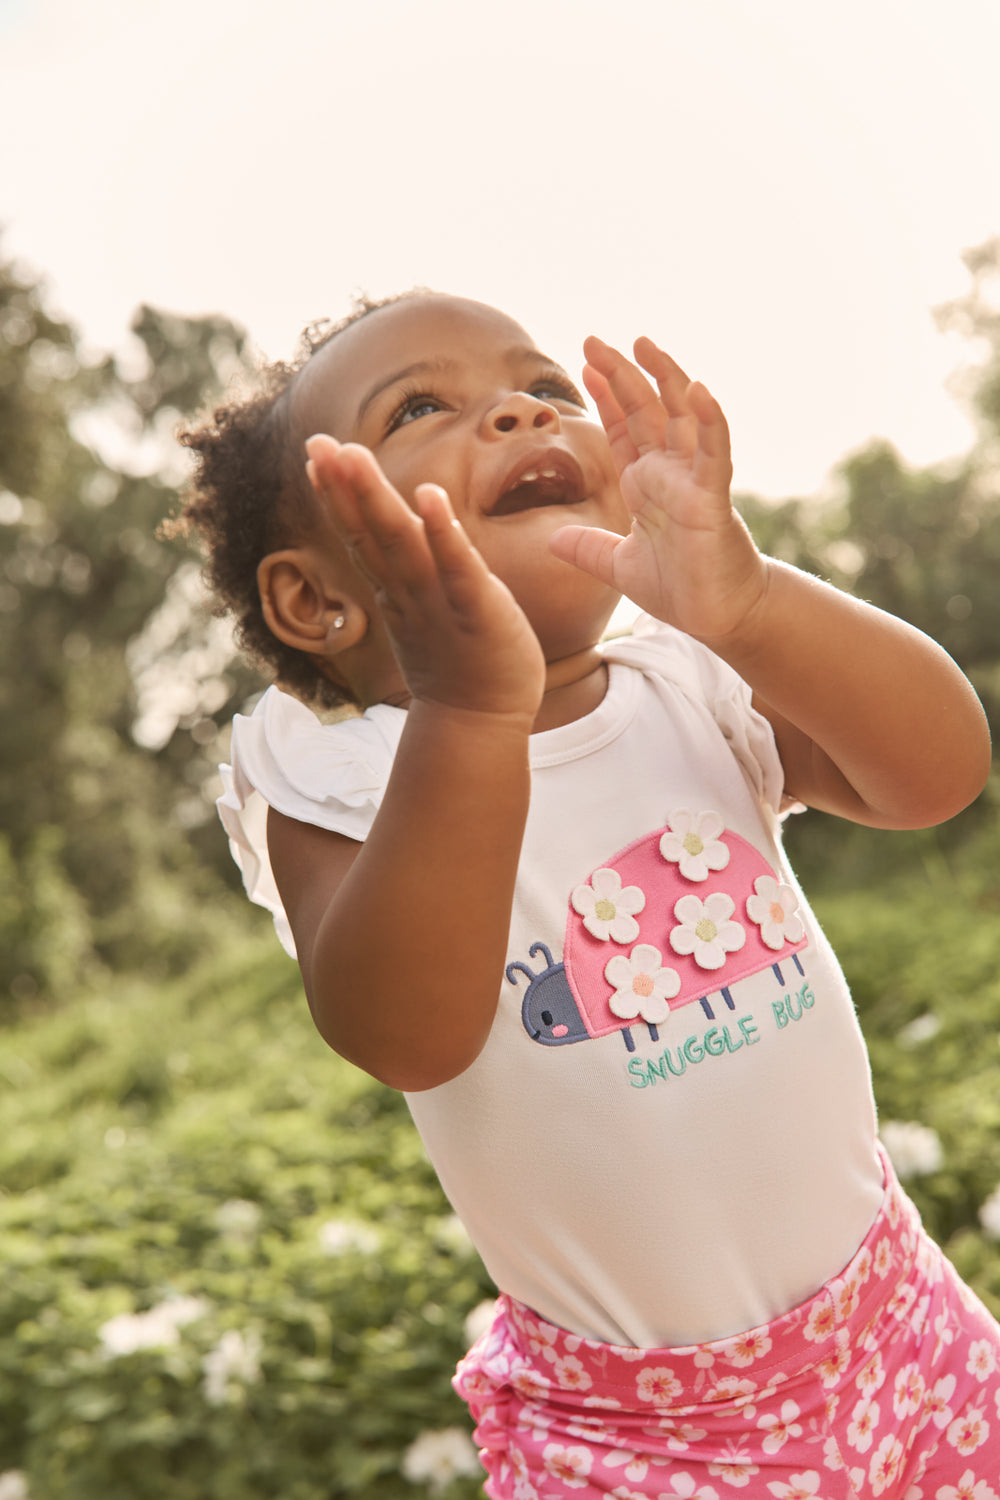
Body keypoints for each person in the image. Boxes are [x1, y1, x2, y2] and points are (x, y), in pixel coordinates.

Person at [175, 290, 1000, 1497]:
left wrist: (750, 602)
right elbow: (403, 1032)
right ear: (318, 599)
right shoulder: (337, 774)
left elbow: (935, 775)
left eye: (545, 390)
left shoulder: (688, 679)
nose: (517, 411)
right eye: (421, 408)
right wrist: (467, 708)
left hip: (897, 1331)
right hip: (644, 1441)